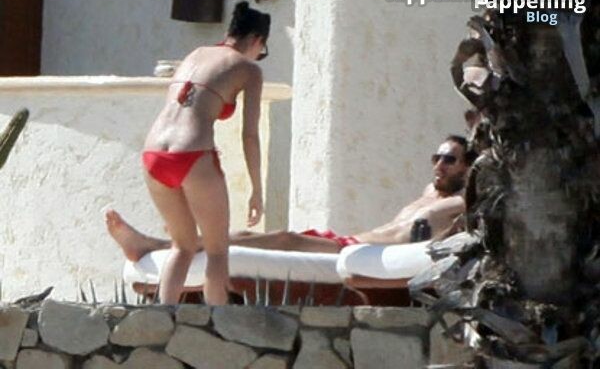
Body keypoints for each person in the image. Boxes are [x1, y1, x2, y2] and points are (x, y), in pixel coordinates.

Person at [108, 136, 477, 262]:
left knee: (283, 238)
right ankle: (165, 244)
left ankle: (160, 245)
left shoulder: (459, 204)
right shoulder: (429, 194)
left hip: (356, 251)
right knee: (252, 237)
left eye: (449, 159)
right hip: (349, 242)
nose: (439, 164)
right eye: (436, 157)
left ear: (469, 167)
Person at [139, 1, 270, 305]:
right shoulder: (249, 69)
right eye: (262, 51)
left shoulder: (196, 54)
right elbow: (250, 136)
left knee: (182, 246)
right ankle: (217, 322)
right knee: (217, 250)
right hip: (192, 152)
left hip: (153, 154)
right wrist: (256, 190)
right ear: (257, 40)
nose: (259, 56)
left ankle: (162, 317)